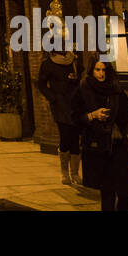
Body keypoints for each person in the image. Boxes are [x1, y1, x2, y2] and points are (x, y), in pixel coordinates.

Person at [72, 58, 128, 210]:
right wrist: (93, 115)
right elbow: (75, 118)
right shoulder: (83, 90)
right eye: (97, 70)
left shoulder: (116, 90)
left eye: (104, 70)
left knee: (127, 191)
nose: (101, 74)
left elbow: (127, 121)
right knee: (108, 193)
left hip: (119, 145)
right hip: (98, 147)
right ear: (91, 70)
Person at [36, 47, 83, 185]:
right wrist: (53, 98)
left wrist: (75, 78)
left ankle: (75, 173)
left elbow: (81, 77)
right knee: (65, 135)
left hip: (75, 103)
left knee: (75, 137)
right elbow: (41, 84)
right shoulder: (48, 64)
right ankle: (64, 172)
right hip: (60, 105)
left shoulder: (73, 60)